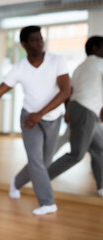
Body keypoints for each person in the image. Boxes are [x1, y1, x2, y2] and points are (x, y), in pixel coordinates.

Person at [0, 25, 70, 215]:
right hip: (29, 119)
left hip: (52, 118)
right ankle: (47, 202)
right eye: (34, 40)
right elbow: (0, 91)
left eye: (40, 39)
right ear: (24, 44)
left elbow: (65, 91)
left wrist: (42, 114)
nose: (39, 43)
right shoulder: (19, 68)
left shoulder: (57, 61)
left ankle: (16, 182)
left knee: (44, 162)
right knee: (36, 161)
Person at [47, 36, 103, 197]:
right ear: (94, 48)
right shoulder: (99, 63)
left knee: (99, 149)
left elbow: (70, 91)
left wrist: (68, 112)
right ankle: (43, 178)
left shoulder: (80, 67)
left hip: (79, 109)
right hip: (86, 110)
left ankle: (101, 187)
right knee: (77, 154)